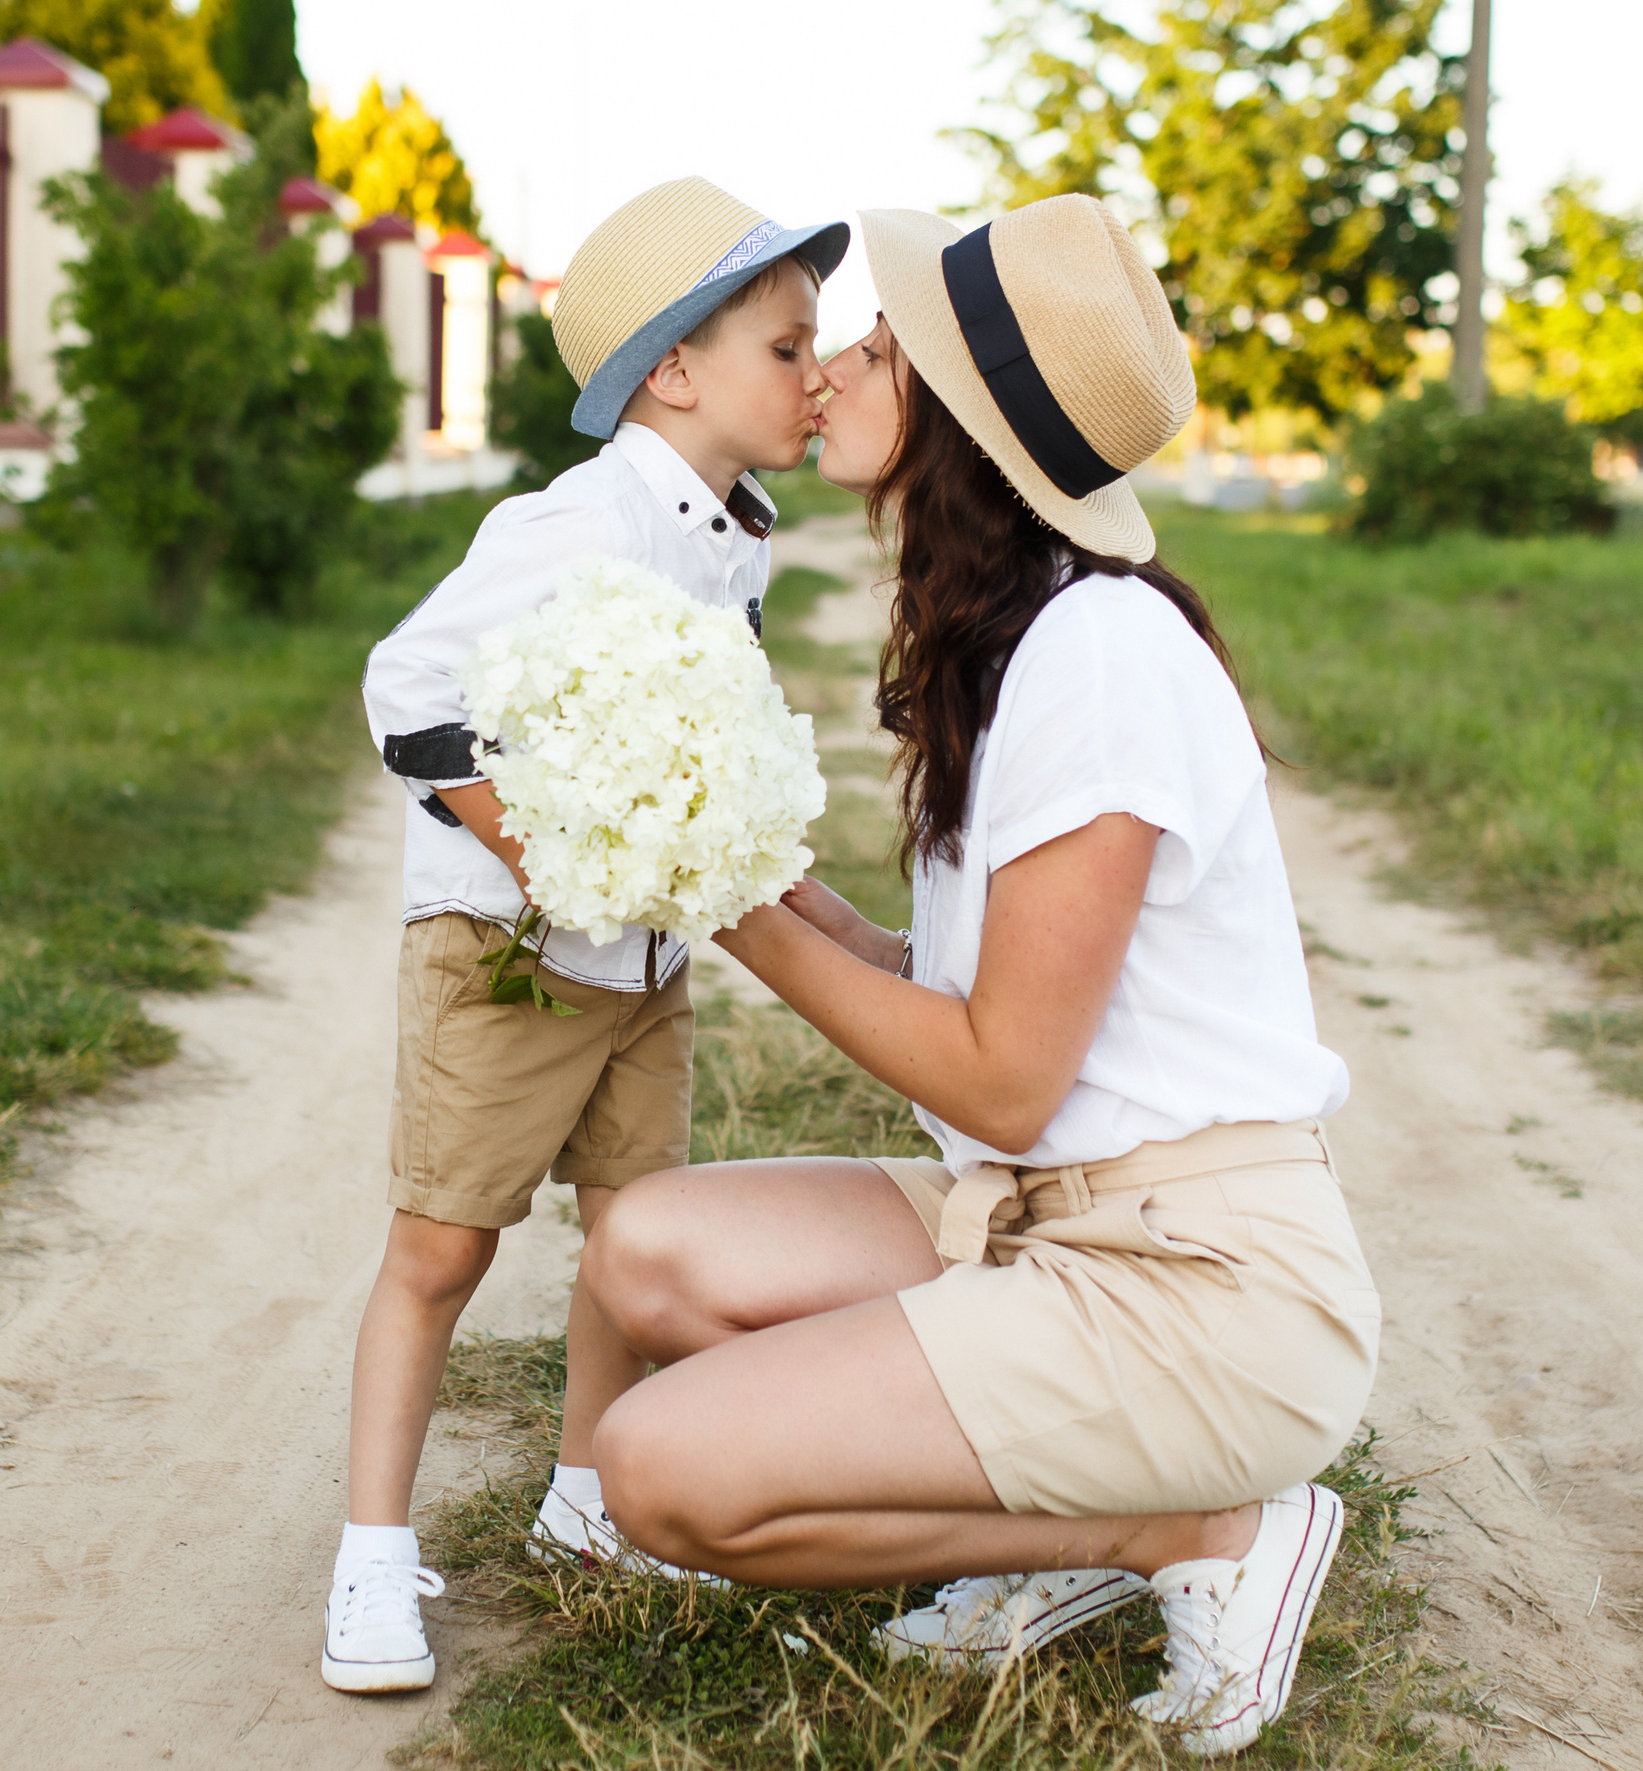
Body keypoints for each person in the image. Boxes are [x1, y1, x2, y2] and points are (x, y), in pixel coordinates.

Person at [580, 196, 1381, 1758]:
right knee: (649, 1254)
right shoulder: (1018, 641)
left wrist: (730, 918)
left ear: (955, 420)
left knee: (658, 1470)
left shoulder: (1097, 655)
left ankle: (1192, 1532)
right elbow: (968, 990)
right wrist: (764, 882)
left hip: (1196, 1285)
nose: (833, 369)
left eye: (877, 350)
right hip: (1041, 1217)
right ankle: (1081, 1498)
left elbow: (1002, 1071)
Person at [327, 178, 849, 1695]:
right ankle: (370, 1553)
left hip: (649, 969)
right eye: (787, 346)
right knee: (443, 1242)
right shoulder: (572, 522)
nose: (815, 376)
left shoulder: (736, 535)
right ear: (675, 370)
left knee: (636, 1240)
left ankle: (584, 1506)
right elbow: (404, 689)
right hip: (508, 958)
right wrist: (540, 847)